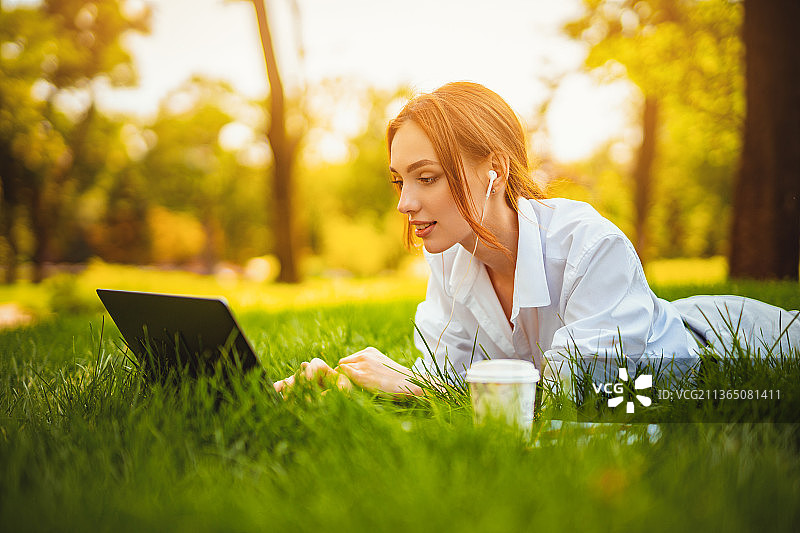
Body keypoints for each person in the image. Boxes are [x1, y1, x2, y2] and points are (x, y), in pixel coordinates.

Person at [273, 81, 800, 397]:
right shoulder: (451, 259)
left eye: (426, 177)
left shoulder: (590, 247)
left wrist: (411, 391)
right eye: (399, 180)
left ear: (494, 169)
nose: (404, 203)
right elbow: (447, 387)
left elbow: (589, 401)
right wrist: (348, 386)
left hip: (717, 345)